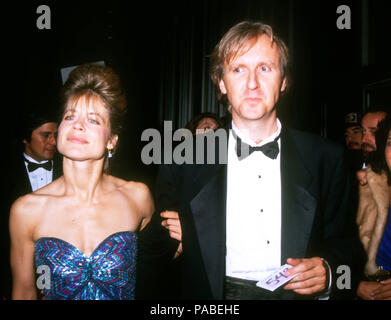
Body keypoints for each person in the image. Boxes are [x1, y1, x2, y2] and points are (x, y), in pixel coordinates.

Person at [156, 21, 364, 300]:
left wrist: (329, 271)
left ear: (284, 81)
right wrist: (175, 240)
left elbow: (349, 246)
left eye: (265, 68)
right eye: (238, 69)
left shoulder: (326, 157)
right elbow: (154, 248)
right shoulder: (186, 157)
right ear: (222, 82)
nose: (252, 83)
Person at [9, 64, 177, 300]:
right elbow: (24, 292)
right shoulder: (26, 210)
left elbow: (155, 268)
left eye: (94, 120)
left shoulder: (137, 197)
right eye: (70, 116)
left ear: (112, 141)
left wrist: (185, 237)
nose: (78, 125)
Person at [1, 106, 62, 300]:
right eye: (46, 135)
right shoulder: (5, 173)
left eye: (56, 135)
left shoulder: (70, 169)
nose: (53, 142)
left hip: (61, 273)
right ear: (25, 138)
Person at [356, 115, 391, 299]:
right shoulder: (367, 184)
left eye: (373, 131)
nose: (364, 139)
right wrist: (353, 286)